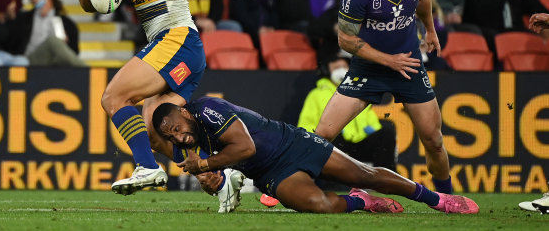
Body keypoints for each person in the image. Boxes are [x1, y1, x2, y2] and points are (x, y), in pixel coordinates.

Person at [77, 0, 244, 213]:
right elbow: (93, 6)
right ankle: (220, 179)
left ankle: (146, 168)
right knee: (154, 132)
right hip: (177, 51)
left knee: (114, 97)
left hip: (178, 40)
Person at [314, 0, 455, 195]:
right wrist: (389, 60)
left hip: (409, 67)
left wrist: (429, 29)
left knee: (434, 140)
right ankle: (283, 182)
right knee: (323, 134)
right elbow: (345, 39)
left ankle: (447, 197)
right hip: (369, 70)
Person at [152, 96, 479, 214]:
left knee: (364, 174)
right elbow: (219, 173)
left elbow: (245, 148)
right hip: (271, 175)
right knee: (318, 205)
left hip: (293, 144)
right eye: (171, 137)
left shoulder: (207, 109)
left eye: (177, 128)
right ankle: (361, 202)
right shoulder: (190, 142)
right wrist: (211, 180)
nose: (178, 137)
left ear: (184, 112)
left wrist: (207, 165)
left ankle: (437, 199)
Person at [298, 48, 397, 171]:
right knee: (333, 140)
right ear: (327, 71)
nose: (341, 71)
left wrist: (370, 130)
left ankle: (386, 181)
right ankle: (333, 185)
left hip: (359, 142)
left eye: (344, 66)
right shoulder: (316, 94)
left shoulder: (358, 91)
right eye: (336, 68)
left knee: (385, 134)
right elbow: (305, 123)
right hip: (335, 142)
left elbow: (371, 121)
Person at [6, 0, 85, 66]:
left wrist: (66, 44)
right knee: (53, 42)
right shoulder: (23, 18)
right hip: (29, 63)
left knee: (55, 44)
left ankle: (89, 74)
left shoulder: (66, 23)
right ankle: (90, 73)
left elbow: (74, 53)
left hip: (53, 65)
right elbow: (10, 45)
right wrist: (11, 21)